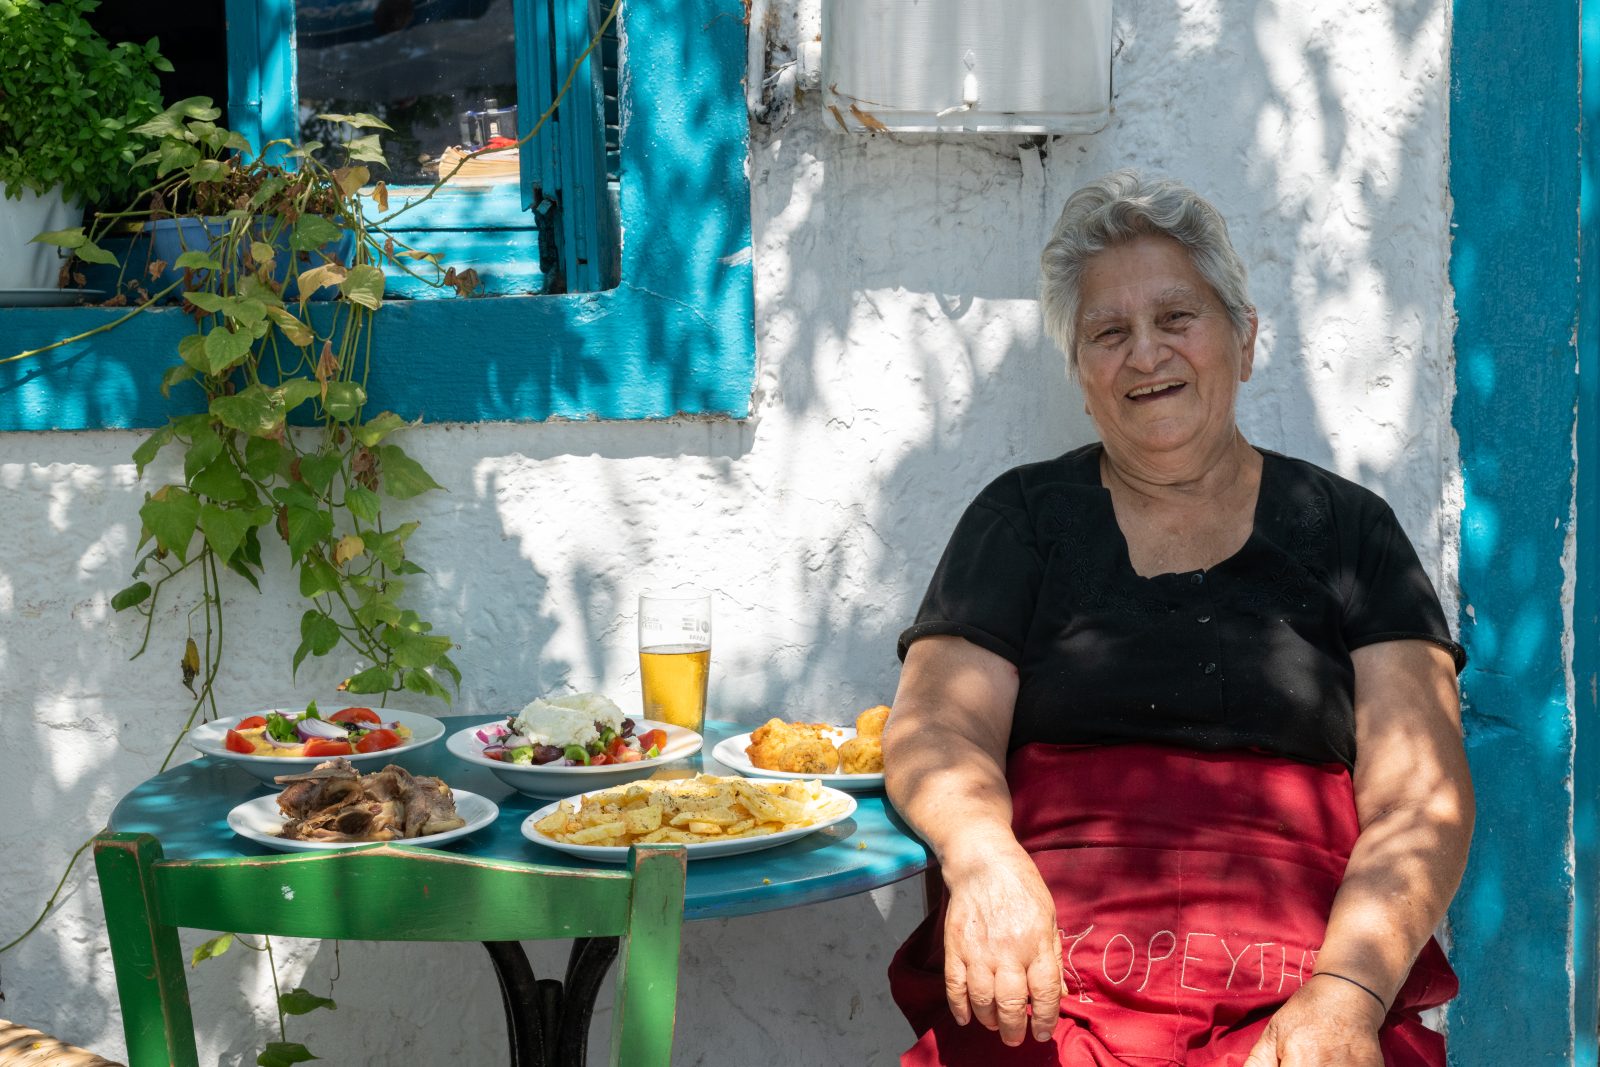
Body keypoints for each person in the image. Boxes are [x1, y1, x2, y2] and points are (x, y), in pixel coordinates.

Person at [883, 171, 1473, 1067]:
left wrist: (1346, 995)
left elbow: (1420, 799)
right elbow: (938, 724)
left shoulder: (1352, 533)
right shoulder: (1023, 520)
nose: (1146, 353)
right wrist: (982, 857)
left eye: (1176, 318)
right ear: (1082, 376)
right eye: (1109, 333)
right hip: (1052, 993)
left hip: (1299, 987)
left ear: (1243, 340)